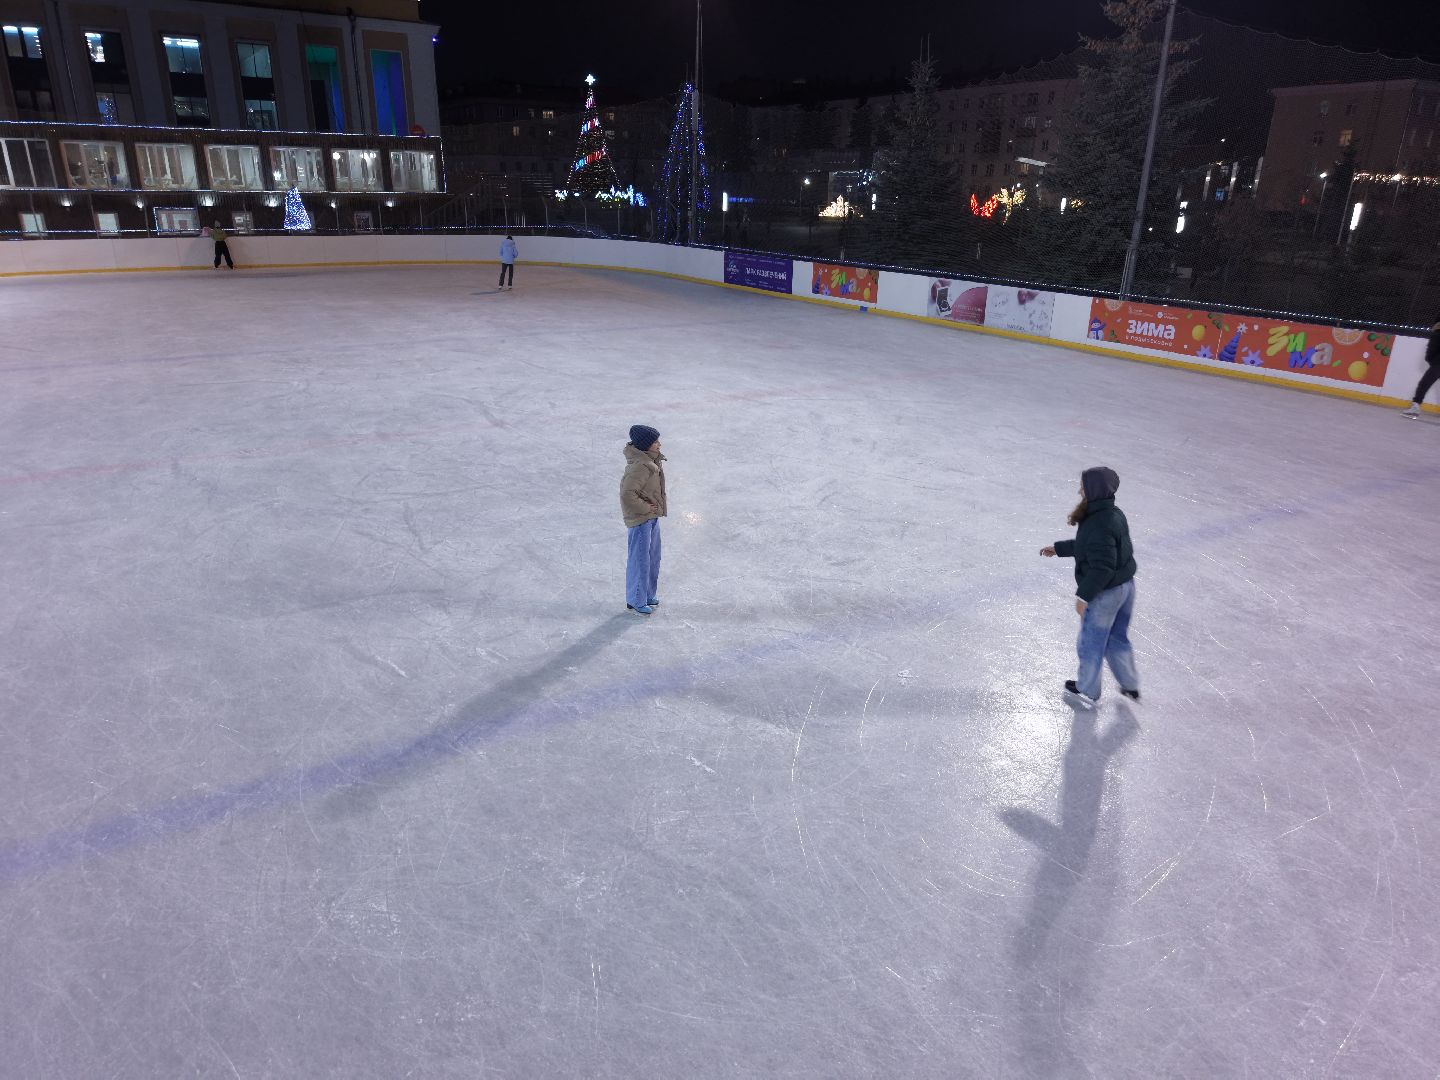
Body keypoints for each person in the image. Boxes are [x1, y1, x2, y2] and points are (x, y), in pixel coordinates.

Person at [1040, 467, 1140, 709]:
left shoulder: (1098, 522)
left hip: (1105, 594)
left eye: (1083, 487)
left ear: (1094, 490)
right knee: (1117, 638)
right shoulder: (1113, 513)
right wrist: (1060, 548)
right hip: (1126, 586)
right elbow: (1094, 547)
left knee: (1090, 643)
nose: (1079, 490)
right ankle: (1130, 684)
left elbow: (1102, 567)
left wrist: (1083, 596)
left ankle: (1087, 689)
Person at [620, 425, 666, 616]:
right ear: (646, 445)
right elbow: (627, 494)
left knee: (652, 557)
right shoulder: (640, 466)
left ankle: (646, 594)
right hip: (641, 519)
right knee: (640, 560)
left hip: (651, 518)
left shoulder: (649, 460)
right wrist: (647, 508)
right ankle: (636, 598)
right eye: (655, 442)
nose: (659, 444)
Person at [1401, 321, 1440, 417]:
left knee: (1424, 384)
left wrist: (1431, 361)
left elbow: (1431, 351)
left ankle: (1415, 407)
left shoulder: (1436, 335)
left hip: (1438, 364)